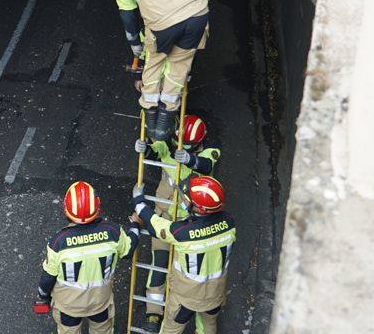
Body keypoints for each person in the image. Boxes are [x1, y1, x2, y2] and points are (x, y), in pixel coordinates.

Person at [93, 0, 214, 143]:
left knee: (155, 61)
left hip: (163, 24)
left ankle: (151, 116)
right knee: (180, 63)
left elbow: (128, 16)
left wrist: (135, 46)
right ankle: (167, 118)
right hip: (198, 11)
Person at [132, 115, 220, 332]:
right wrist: (144, 147)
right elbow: (155, 149)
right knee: (159, 264)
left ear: (200, 141)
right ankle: (153, 313)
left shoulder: (210, 152)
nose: (180, 148)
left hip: (189, 223)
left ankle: (183, 308)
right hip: (163, 216)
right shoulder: (168, 146)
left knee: (185, 271)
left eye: (190, 146)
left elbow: (206, 164)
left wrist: (190, 159)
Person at [131, 175, 235, 334]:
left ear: (199, 208)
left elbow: (154, 224)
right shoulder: (229, 222)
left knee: (171, 329)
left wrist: (138, 200)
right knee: (208, 327)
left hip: (186, 299)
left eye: (186, 199)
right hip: (215, 295)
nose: (184, 200)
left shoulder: (182, 233)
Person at [37, 181, 141, 333]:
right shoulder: (113, 232)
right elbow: (129, 250)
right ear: (97, 207)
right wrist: (136, 225)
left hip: (69, 307)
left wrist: (43, 296)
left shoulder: (58, 242)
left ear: (66, 209)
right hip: (100, 303)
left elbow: (47, 277)